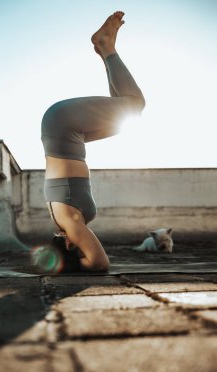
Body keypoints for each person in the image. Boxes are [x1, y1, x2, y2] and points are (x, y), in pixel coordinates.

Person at [40, 11, 145, 272]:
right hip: (70, 133)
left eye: (76, 246)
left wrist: (74, 267)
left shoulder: (69, 222)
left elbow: (99, 263)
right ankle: (104, 49)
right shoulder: (70, 219)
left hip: (62, 123)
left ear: (68, 247)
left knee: (135, 105)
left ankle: (106, 46)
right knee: (122, 118)